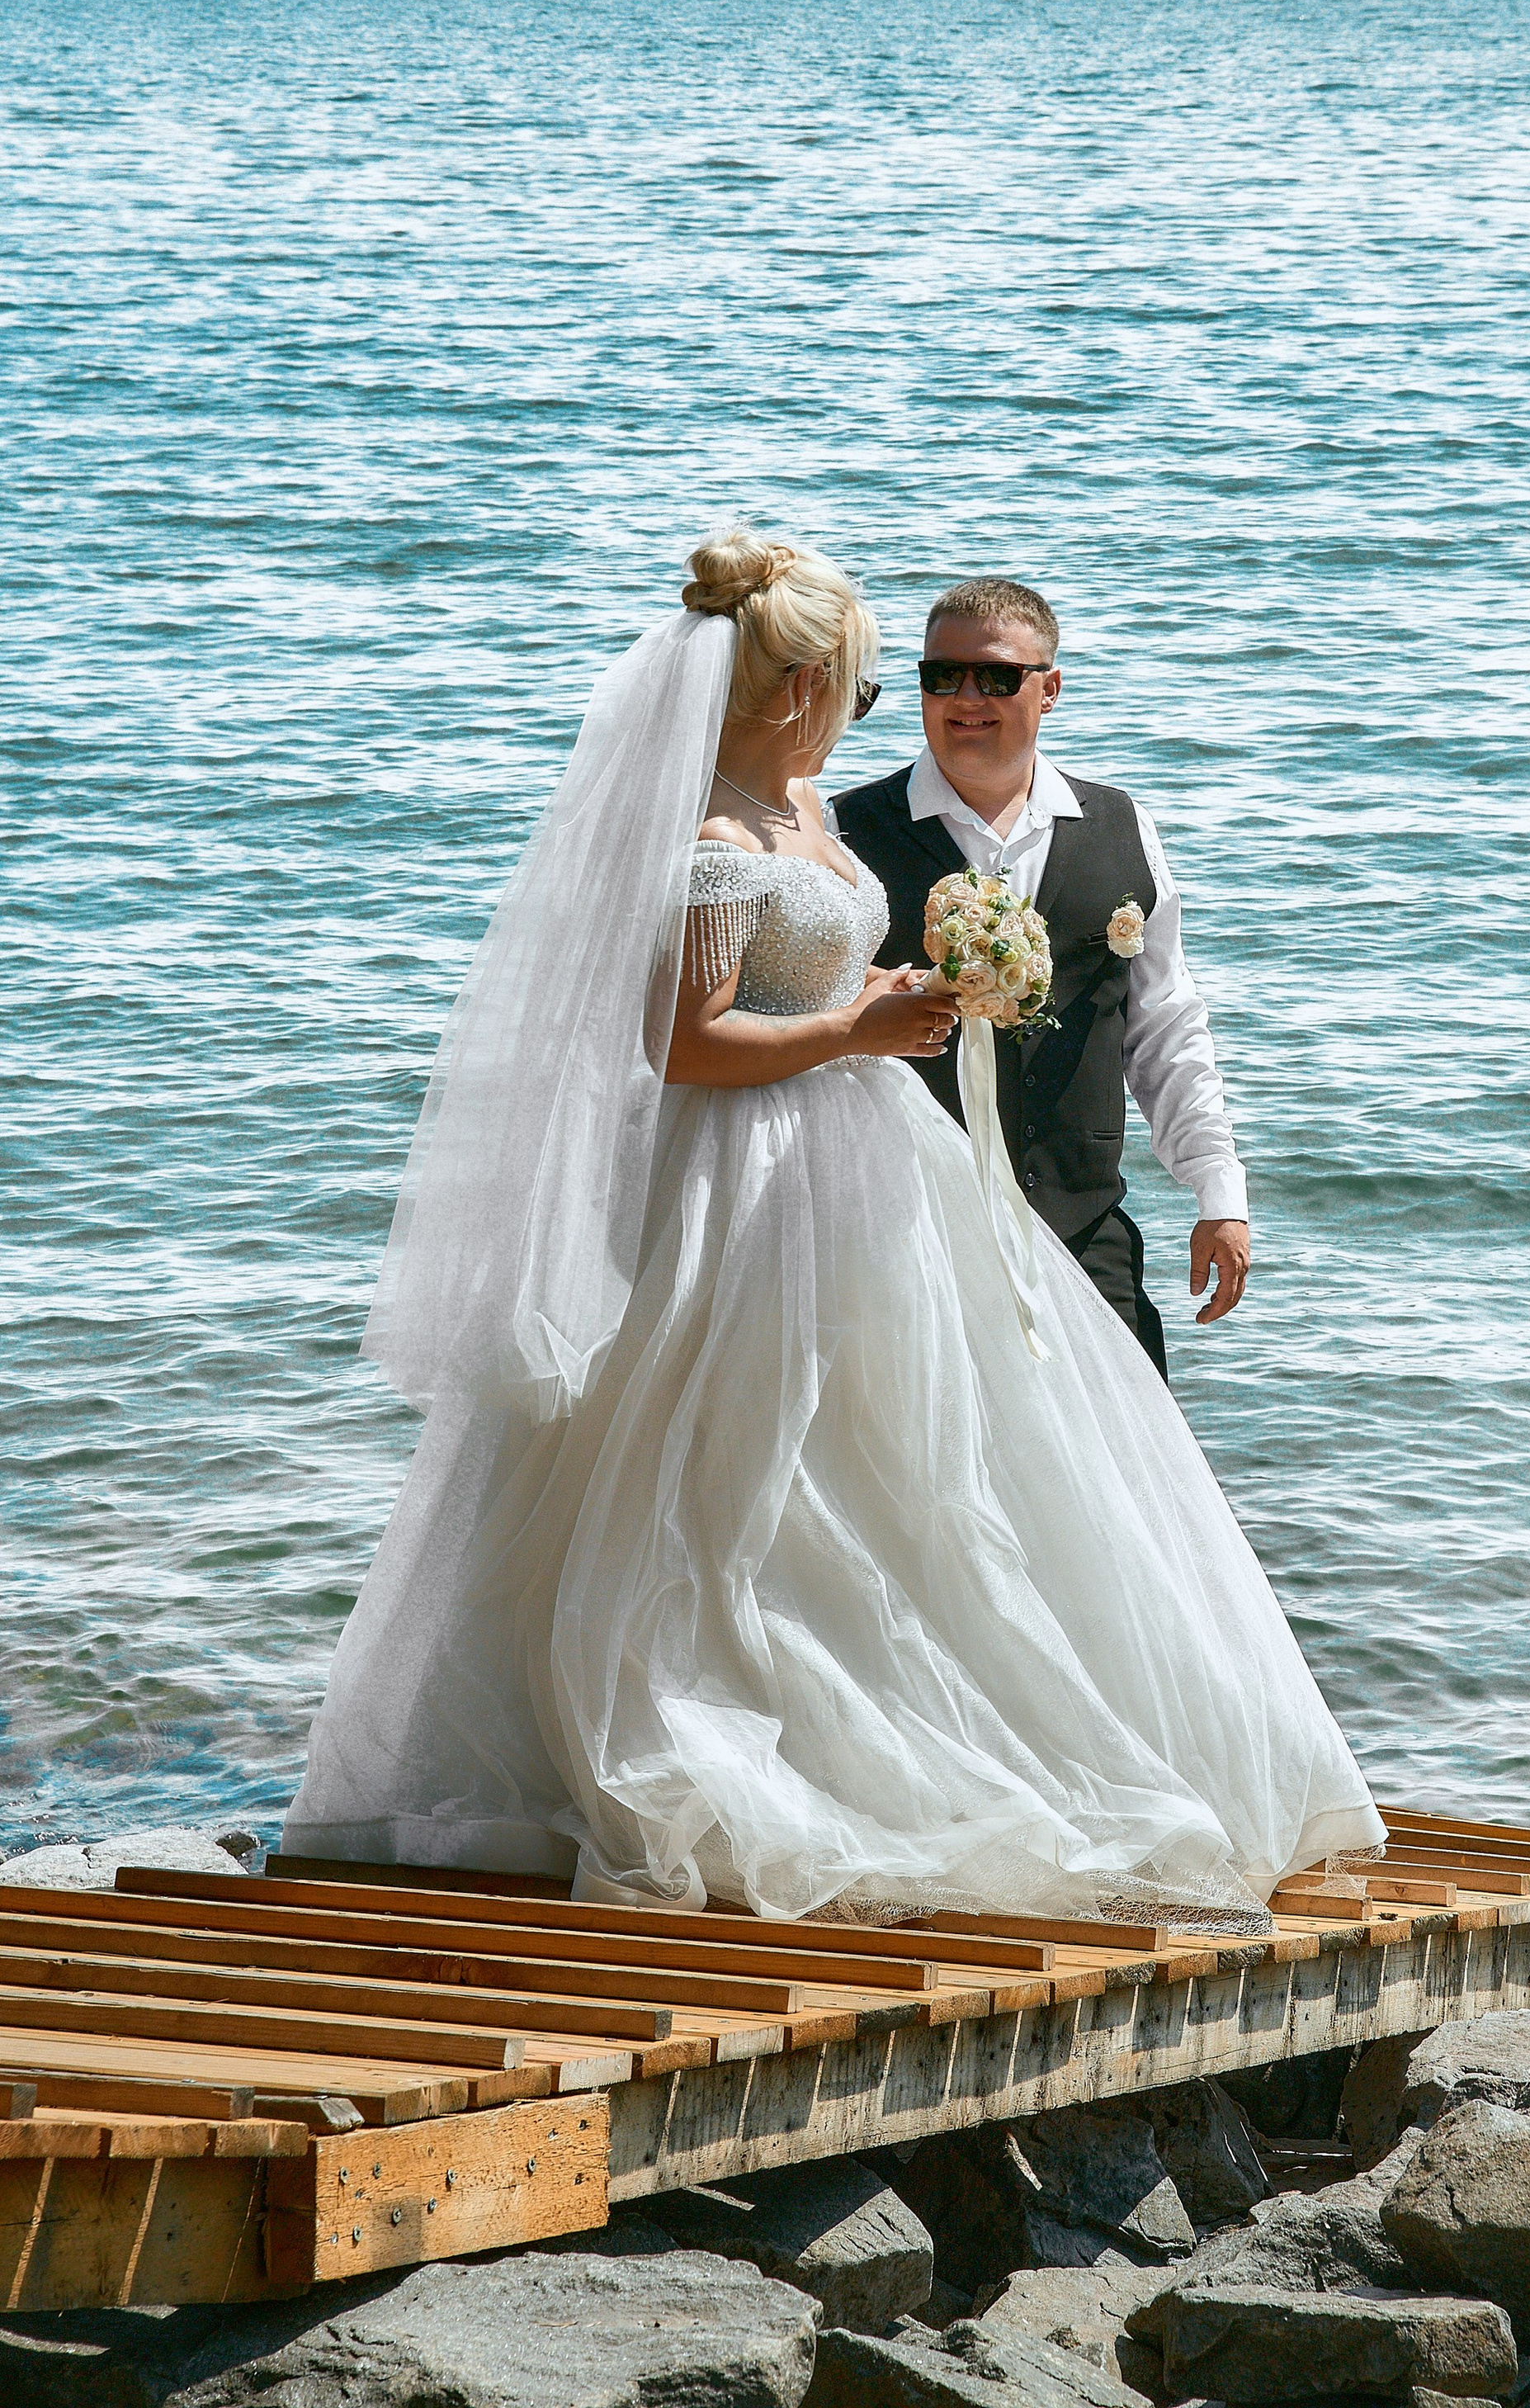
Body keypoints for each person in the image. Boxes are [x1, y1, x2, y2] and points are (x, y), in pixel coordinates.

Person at [283, 530, 1380, 1919]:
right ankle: (733, 1739)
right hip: (742, 1181)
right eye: (872, 684)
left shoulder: (809, 813)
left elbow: (1062, 1007)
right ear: (795, 678)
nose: (880, 710)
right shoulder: (712, 834)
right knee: (737, 1470)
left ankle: (917, 1723)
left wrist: (888, 1002)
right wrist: (857, 1022)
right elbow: (684, 1045)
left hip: (867, 1160)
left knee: (905, 1466)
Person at [833, 576, 1247, 1378]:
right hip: (902, 1239)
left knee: (1138, 1487)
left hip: (1082, 1229)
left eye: (995, 676)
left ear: (1049, 688)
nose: (966, 698)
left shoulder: (1123, 828)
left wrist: (1217, 1189)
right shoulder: (843, 834)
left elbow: (1165, 1031)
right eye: (939, 675)